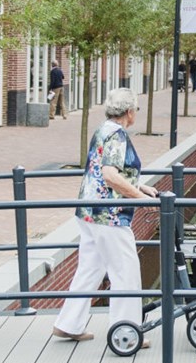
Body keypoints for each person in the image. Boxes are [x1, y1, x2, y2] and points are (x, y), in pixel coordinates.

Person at [53, 89, 159, 342]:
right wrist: (141, 198)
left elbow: (103, 170)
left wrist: (140, 186)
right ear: (130, 112)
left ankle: (69, 324)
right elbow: (110, 175)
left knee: (90, 268)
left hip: (88, 211)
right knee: (126, 273)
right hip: (109, 216)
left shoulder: (103, 128)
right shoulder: (118, 135)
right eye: (136, 110)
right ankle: (126, 333)